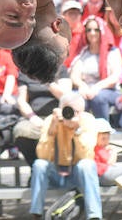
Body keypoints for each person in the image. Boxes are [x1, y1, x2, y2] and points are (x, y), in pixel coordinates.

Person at [29, 92, 102, 220]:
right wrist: (53, 130)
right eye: (68, 110)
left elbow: (87, 155)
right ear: (61, 109)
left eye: (77, 111)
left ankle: (94, 216)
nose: (72, 114)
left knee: (87, 165)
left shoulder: (88, 120)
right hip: (56, 173)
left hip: (77, 173)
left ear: (82, 111)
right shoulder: (51, 120)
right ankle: (36, 213)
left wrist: (77, 130)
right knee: (39, 165)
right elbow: (42, 155)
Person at [68, 16, 121, 120]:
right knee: (74, 98)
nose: (92, 33)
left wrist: (97, 87)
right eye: (89, 30)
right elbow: (75, 76)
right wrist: (82, 86)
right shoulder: (83, 53)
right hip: (86, 90)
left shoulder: (112, 52)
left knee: (98, 97)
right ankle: (79, 131)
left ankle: (103, 129)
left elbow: (115, 77)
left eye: (96, 29)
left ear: (102, 31)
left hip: (108, 90)